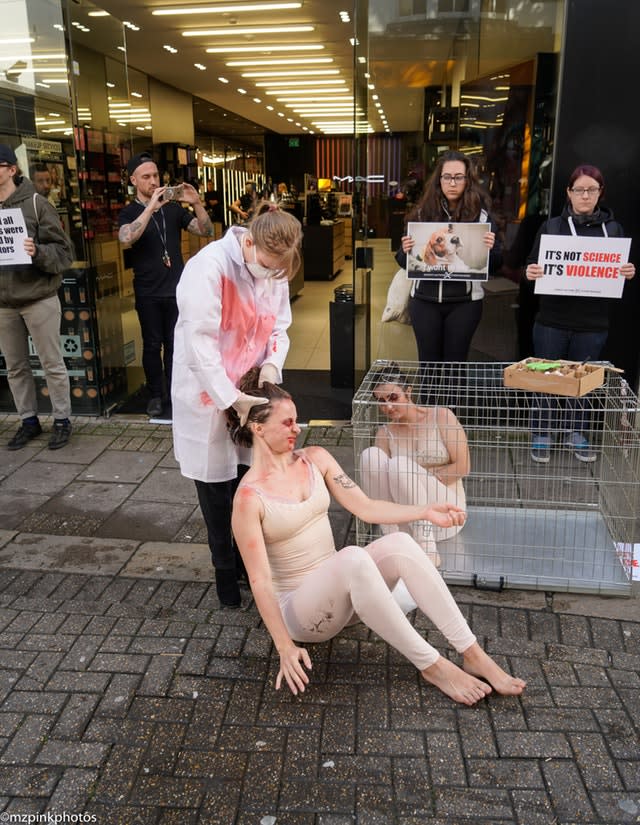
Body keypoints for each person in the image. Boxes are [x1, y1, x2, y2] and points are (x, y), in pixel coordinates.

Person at [228, 370, 526, 705]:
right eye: (287, 423)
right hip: (302, 614)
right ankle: (433, 666)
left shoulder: (314, 459)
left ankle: (473, 654)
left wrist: (425, 511)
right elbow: (260, 580)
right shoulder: (249, 498)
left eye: (297, 420)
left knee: (401, 544)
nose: (297, 428)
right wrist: (284, 646)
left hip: (344, 595)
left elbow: (366, 507)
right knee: (353, 556)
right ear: (257, 428)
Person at [171, 201, 303, 608]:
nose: (270, 274)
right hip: (207, 391)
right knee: (216, 487)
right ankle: (224, 569)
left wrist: (270, 368)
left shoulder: (275, 268)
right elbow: (200, 342)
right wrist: (231, 400)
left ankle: (250, 564)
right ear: (248, 242)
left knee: (249, 481)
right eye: (265, 264)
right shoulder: (209, 267)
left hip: (248, 381)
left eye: (278, 269)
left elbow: (279, 325)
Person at [525, 164, 635, 463]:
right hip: (552, 319)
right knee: (546, 378)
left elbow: (621, 269)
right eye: (579, 190)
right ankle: (542, 432)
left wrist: (628, 271)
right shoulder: (552, 227)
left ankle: (576, 432)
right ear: (568, 193)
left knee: (584, 382)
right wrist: (531, 271)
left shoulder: (613, 230)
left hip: (592, 321)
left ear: (600, 194)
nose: (585, 196)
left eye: (592, 190)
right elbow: (530, 265)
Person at [118, 152, 214, 418]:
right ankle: (155, 395)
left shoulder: (173, 210)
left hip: (176, 290)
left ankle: (174, 391)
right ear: (134, 180)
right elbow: (127, 237)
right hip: (148, 291)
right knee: (151, 345)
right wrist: (150, 207)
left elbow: (206, 231)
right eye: (146, 177)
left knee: (175, 345)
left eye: (156, 175)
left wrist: (196, 203)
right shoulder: (129, 211)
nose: (153, 181)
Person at [0, 144, 75, 450]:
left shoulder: (35, 203)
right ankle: (28, 420)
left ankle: (61, 419)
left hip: (38, 297)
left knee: (51, 362)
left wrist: (37, 251)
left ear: (10, 169)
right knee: (15, 366)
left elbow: (64, 252)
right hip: (4, 303)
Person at [358, 363, 469, 568]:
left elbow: (463, 466)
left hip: (445, 515)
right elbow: (380, 478)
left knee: (401, 466)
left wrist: (419, 477)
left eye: (393, 398)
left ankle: (428, 551)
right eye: (381, 401)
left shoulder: (442, 416)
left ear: (408, 391)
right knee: (369, 456)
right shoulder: (385, 433)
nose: (388, 407)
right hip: (404, 523)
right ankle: (389, 536)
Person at [394, 150, 499, 362]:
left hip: (465, 304)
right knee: (428, 367)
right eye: (447, 177)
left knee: (455, 367)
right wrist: (405, 251)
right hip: (424, 302)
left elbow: (496, 265)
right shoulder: (422, 213)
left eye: (458, 177)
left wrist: (490, 249)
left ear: (467, 180)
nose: (452, 182)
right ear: (439, 180)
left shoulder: (482, 216)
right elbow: (404, 262)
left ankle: (453, 398)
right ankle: (430, 398)